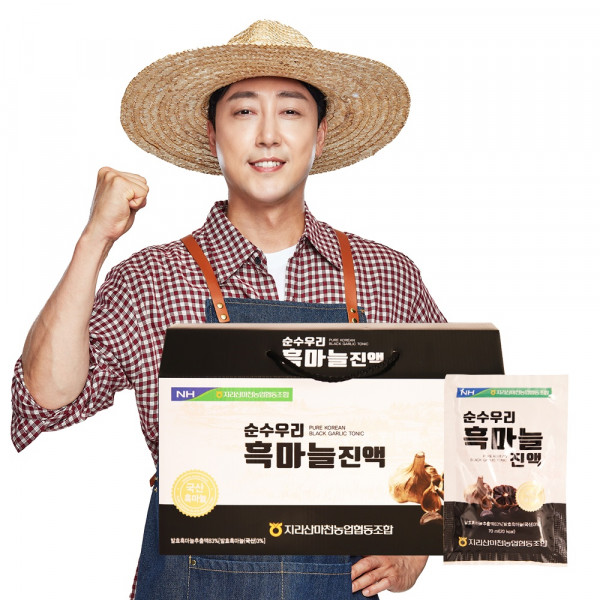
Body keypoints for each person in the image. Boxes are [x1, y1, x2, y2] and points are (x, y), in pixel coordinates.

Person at [11, 20, 445, 599]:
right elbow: (45, 395)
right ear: (213, 133)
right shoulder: (151, 279)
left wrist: (419, 540)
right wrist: (95, 239)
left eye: (290, 111)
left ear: (319, 136)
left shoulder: (384, 275)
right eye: (243, 112)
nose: (267, 135)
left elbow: (468, 421)